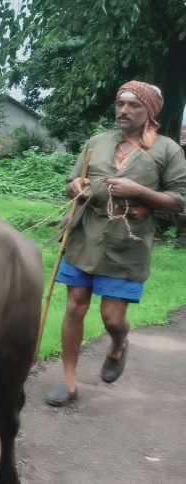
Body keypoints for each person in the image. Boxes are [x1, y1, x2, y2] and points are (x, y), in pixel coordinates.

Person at [46, 80, 186, 407]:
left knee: (111, 318)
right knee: (75, 306)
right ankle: (68, 382)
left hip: (128, 242)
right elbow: (72, 181)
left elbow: (180, 200)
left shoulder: (167, 150)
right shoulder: (97, 142)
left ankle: (118, 343)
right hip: (85, 234)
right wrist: (75, 187)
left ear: (149, 111)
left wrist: (138, 191)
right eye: (120, 103)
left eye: (133, 105)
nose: (123, 110)